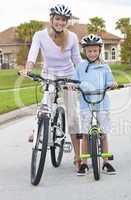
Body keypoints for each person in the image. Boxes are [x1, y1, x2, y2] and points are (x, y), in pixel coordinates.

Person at [20, 4, 83, 171]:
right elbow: (32, 54)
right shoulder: (40, 35)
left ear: (67, 22)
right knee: (45, 104)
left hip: (68, 75)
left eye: (63, 20)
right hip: (49, 73)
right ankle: (39, 129)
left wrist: (84, 76)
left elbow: (77, 60)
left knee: (72, 117)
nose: (60, 23)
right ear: (51, 19)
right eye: (57, 19)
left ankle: (78, 157)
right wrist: (28, 67)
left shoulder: (72, 37)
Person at [75, 34, 117, 175]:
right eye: (89, 51)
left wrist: (113, 85)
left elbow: (110, 81)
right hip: (85, 103)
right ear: (84, 52)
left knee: (103, 133)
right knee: (86, 134)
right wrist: (72, 85)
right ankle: (84, 163)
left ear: (99, 50)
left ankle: (106, 161)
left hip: (102, 103)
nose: (92, 53)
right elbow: (75, 81)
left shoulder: (104, 66)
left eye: (94, 51)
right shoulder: (80, 66)